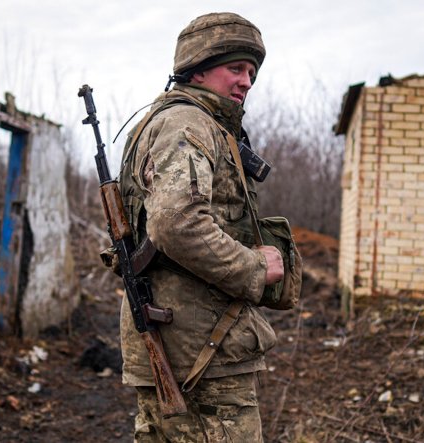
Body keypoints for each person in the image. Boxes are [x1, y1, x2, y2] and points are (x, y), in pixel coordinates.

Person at [117, 11, 284, 442]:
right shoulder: (187, 124)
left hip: (185, 341)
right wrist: (253, 269)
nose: (247, 81)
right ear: (198, 69)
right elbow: (176, 223)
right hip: (201, 350)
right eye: (235, 68)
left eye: (251, 71)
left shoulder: (177, 123)